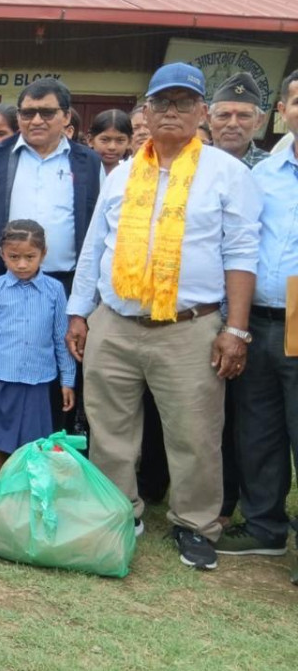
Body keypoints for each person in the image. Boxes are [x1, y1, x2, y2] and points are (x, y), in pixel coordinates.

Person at [66, 62, 262, 571]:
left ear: (201, 112)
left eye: (183, 103)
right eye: (161, 103)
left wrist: (235, 329)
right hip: (115, 320)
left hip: (189, 327)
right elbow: (95, 246)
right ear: (146, 112)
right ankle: (117, 508)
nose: (171, 112)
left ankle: (195, 523)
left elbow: (242, 254)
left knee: (194, 433)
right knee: (108, 426)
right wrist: (79, 313)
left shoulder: (227, 173)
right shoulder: (123, 172)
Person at [216, 70, 298, 577]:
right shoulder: (261, 175)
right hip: (261, 316)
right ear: (285, 112)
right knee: (259, 428)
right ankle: (267, 528)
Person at [0, 79, 103, 316]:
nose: (36, 121)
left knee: (62, 351)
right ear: (18, 118)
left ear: (66, 116)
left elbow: (98, 231)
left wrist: (87, 296)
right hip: (3, 281)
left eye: (47, 113)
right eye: (27, 113)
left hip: (67, 284)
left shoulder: (88, 162)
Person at [0, 220, 75, 491]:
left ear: (43, 253)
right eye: (14, 257)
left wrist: (68, 380)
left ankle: (30, 492)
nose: (21, 264)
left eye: (29, 257)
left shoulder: (54, 290)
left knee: (35, 441)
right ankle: (1, 492)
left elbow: (60, 337)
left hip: (38, 378)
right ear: (2, 254)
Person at [208, 72, 271, 168]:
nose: (233, 124)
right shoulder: (190, 161)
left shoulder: (273, 169)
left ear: (259, 121)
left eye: (244, 116)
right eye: (223, 115)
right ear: (209, 120)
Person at [88, 110, 133, 178]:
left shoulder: (132, 175)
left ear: (129, 142)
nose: (112, 147)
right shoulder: (79, 172)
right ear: (90, 140)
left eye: (120, 140)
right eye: (104, 140)